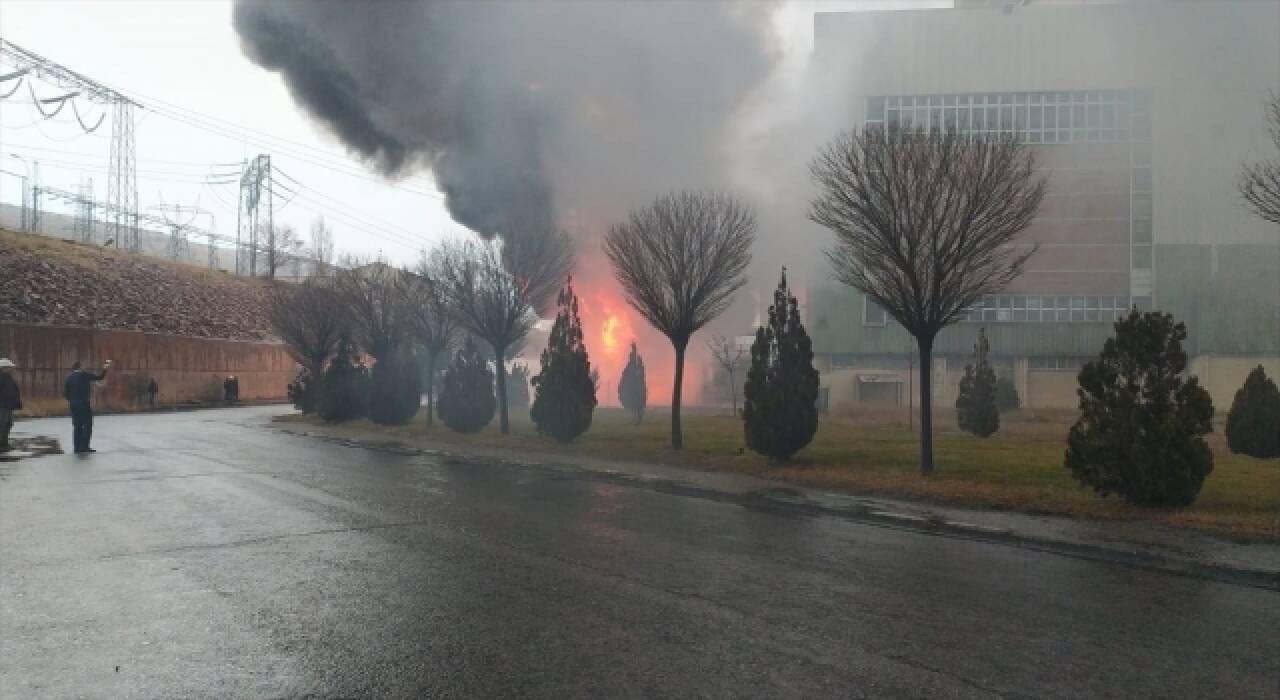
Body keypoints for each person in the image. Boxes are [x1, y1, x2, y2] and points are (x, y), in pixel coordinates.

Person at [64, 359, 110, 454]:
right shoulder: (84, 375)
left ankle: (77, 447)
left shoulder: (69, 378)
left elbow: (65, 394)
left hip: (73, 405)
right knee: (87, 425)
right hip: (84, 403)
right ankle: (85, 446)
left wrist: (72, 400)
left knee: (77, 426)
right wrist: (105, 369)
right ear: (80, 367)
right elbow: (99, 378)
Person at [0, 358, 21, 452]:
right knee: (3, 424)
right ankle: (2, 444)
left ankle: (4, 442)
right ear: (4, 368)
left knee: (8, 423)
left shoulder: (7, 377)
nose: (11, 369)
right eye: (9, 367)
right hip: (3, 405)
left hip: (8, 405)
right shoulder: (2, 378)